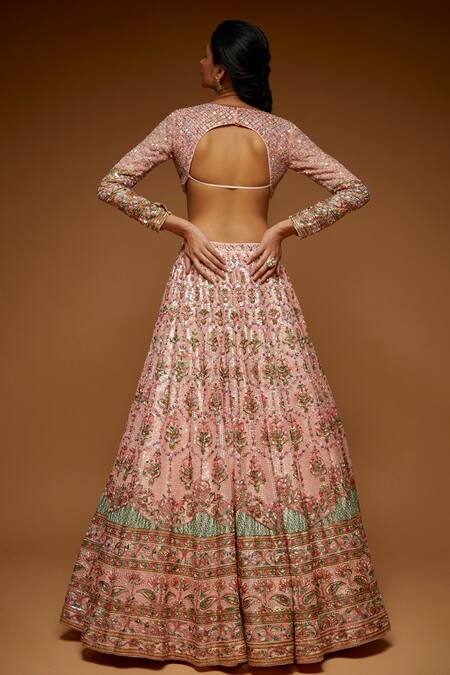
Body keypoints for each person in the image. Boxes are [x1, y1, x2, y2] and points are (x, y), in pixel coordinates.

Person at [59, 19, 391, 667]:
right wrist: (283, 229)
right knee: (275, 428)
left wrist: (180, 225)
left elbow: (110, 183)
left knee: (183, 425)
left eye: (204, 55)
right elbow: (356, 188)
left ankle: (172, 615)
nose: (199, 62)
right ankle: (283, 611)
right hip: (262, 282)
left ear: (220, 68)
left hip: (200, 278)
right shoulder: (281, 133)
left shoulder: (181, 124)